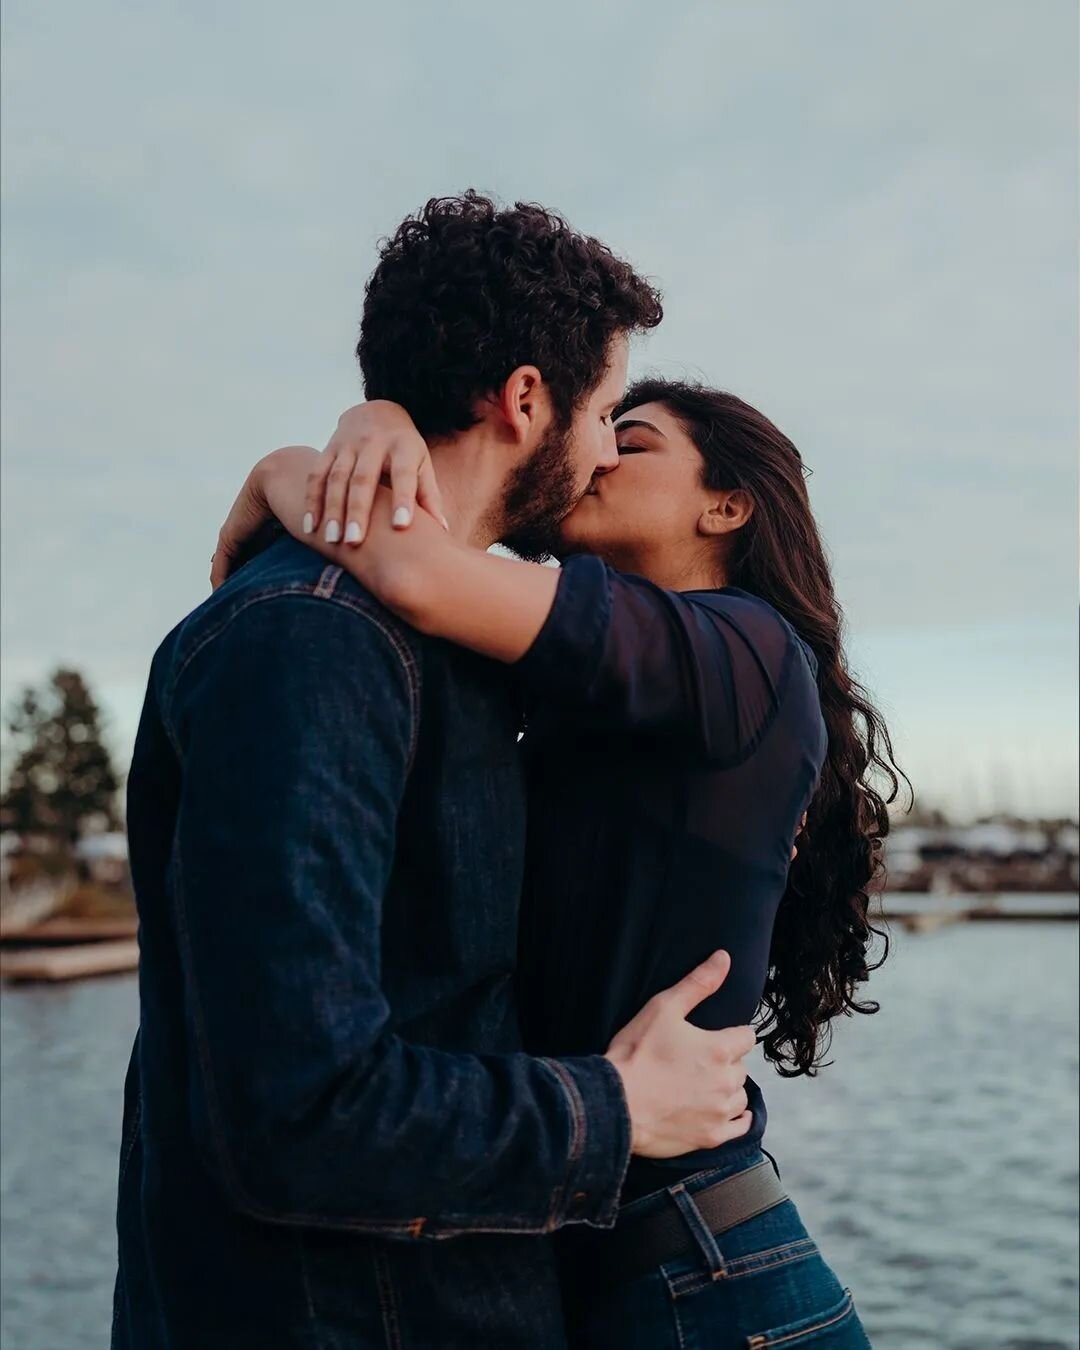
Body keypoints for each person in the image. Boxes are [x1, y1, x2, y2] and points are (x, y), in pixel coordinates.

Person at [113, 195, 761, 1350]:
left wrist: (302, 463)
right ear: (525, 400)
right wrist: (616, 1110)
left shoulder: (437, 649)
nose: (607, 446)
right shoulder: (316, 642)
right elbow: (299, 1113)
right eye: (607, 409)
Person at [216, 377, 907, 1348]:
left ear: (727, 505)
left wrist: (287, 469)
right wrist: (375, 426)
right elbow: (428, 556)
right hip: (604, 1267)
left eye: (637, 441)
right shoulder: (588, 686)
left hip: (707, 1280)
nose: (602, 456)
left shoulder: (745, 649)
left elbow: (417, 571)